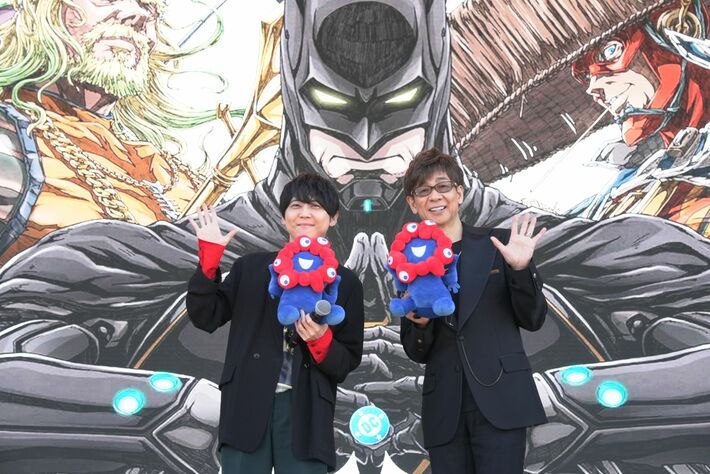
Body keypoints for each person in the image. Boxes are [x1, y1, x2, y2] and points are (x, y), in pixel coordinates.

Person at [185, 173, 364, 473]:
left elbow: (346, 361)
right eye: (296, 206)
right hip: (246, 403)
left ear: (333, 218)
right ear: (283, 217)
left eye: (315, 207)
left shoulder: (345, 283)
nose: (304, 213)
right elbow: (205, 316)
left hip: (306, 412)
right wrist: (209, 261)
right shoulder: (251, 268)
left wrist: (320, 339)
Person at [399, 148, 548, 473]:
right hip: (445, 409)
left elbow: (533, 318)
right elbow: (415, 350)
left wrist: (520, 269)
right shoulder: (409, 260)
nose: (434, 197)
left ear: (459, 193)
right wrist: (419, 324)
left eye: (443, 187)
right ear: (412, 202)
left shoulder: (501, 245)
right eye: (423, 191)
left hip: (501, 400)